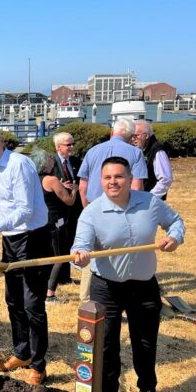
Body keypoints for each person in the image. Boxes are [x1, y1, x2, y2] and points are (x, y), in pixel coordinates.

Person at [72, 156, 185, 392]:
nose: (113, 182)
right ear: (101, 181)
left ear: (129, 177)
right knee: (107, 344)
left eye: (118, 176)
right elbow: (80, 245)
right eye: (107, 177)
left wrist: (174, 237)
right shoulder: (92, 212)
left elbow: (176, 222)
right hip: (106, 288)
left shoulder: (150, 203)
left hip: (144, 287)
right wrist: (81, 254)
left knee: (145, 341)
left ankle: (147, 389)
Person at [0, 125, 51, 385]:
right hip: (11, 239)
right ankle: (22, 352)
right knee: (13, 300)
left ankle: (39, 365)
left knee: (32, 304)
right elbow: (4, 202)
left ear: (1, 141)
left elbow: (25, 210)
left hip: (33, 238)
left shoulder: (19, 164)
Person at [77, 117, 148, 302]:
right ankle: (121, 298)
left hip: (94, 208)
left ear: (111, 133)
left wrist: (87, 210)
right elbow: (137, 186)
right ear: (132, 136)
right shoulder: (135, 153)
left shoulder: (92, 151)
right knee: (121, 255)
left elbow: (82, 185)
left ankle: (86, 301)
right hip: (122, 211)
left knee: (90, 254)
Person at [31, 148, 78, 303]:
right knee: (59, 257)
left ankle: (39, 288)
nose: (53, 162)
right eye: (51, 159)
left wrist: (61, 185)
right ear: (46, 163)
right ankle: (50, 294)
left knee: (43, 256)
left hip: (39, 222)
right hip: (55, 221)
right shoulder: (51, 179)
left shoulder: (32, 178)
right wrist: (74, 191)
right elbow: (69, 201)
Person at [54, 131, 82, 266]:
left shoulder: (76, 161)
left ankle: (67, 274)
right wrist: (59, 186)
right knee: (59, 242)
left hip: (74, 209)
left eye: (73, 144)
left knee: (71, 239)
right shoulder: (51, 163)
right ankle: (59, 274)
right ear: (58, 147)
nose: (71, 147)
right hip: (57, 209)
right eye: (68, 144)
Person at [132, 119, 173, 200]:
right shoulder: (142, 149)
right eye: (132, 136)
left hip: (152, 201)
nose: (133, 139)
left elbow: (166, 179)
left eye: (136, 136)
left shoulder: (158, 150)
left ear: (146, 136)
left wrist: (150, 197)